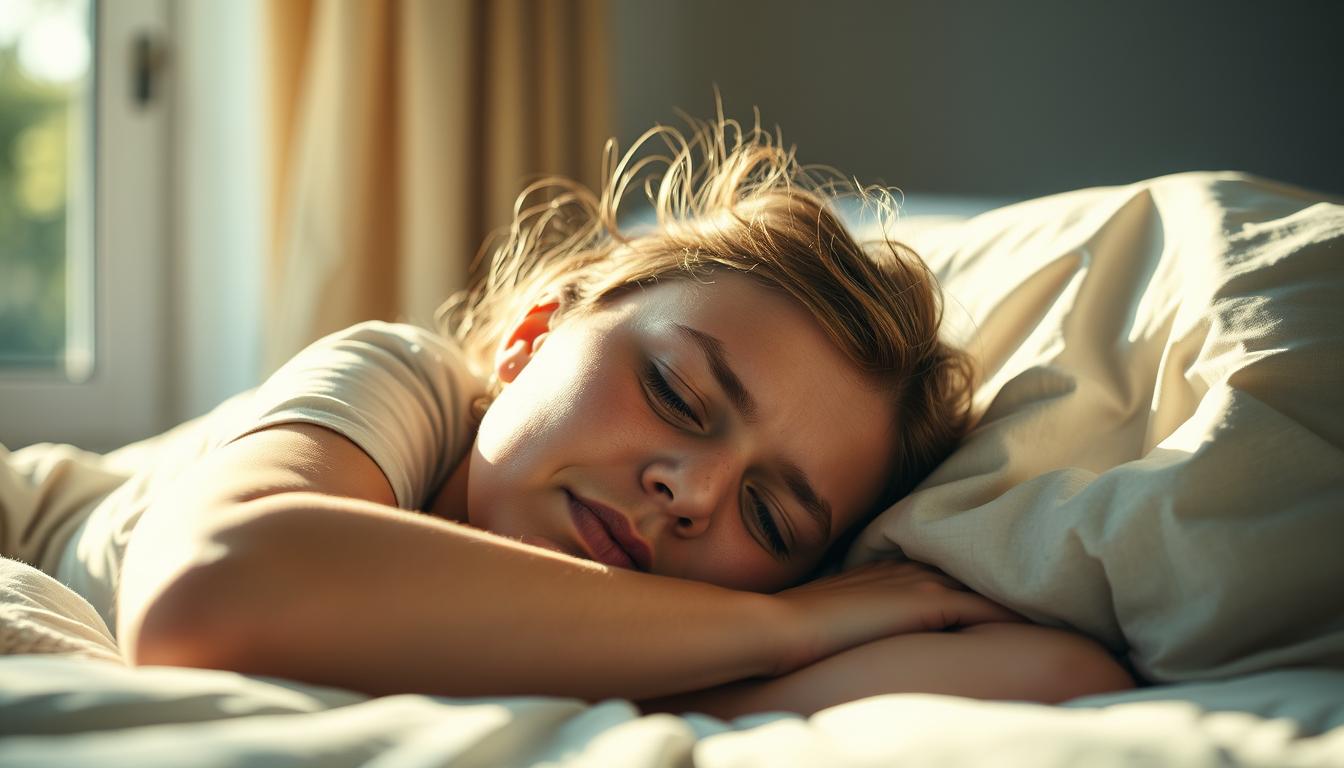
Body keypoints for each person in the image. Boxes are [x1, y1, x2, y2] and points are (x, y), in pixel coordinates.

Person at [76, 110, 1129, 719]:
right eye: (674, 391)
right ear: (534, 332)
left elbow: (1061, 674)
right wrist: (780, 627)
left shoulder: (666, 640)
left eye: (771, 521)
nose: (693, 491)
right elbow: (204, 594)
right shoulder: (405, 383)